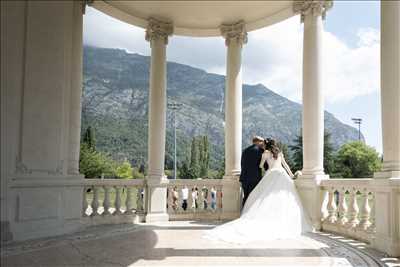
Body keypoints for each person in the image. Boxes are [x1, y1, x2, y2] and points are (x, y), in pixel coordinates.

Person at [204, 138, 312, 244]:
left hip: (270, 174)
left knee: (264, 198)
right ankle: (281, 222)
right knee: (283, 198)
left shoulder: (264, 153)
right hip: (282, 174)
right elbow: (286, 165)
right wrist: (292, 175)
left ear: (266, 145)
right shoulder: (279, 153)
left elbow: (261, 166)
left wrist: (264, 164)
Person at [239, 136, 266, 207]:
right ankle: (250, 214)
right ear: (258, 142)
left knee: (246, 196)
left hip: (244, 178)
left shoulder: (245, 150)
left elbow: (242, 163)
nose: (263, 143)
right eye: (262, 142)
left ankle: (244, 213)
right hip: (255, 178)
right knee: (254, 198)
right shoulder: (261, 151)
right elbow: (264, 165)